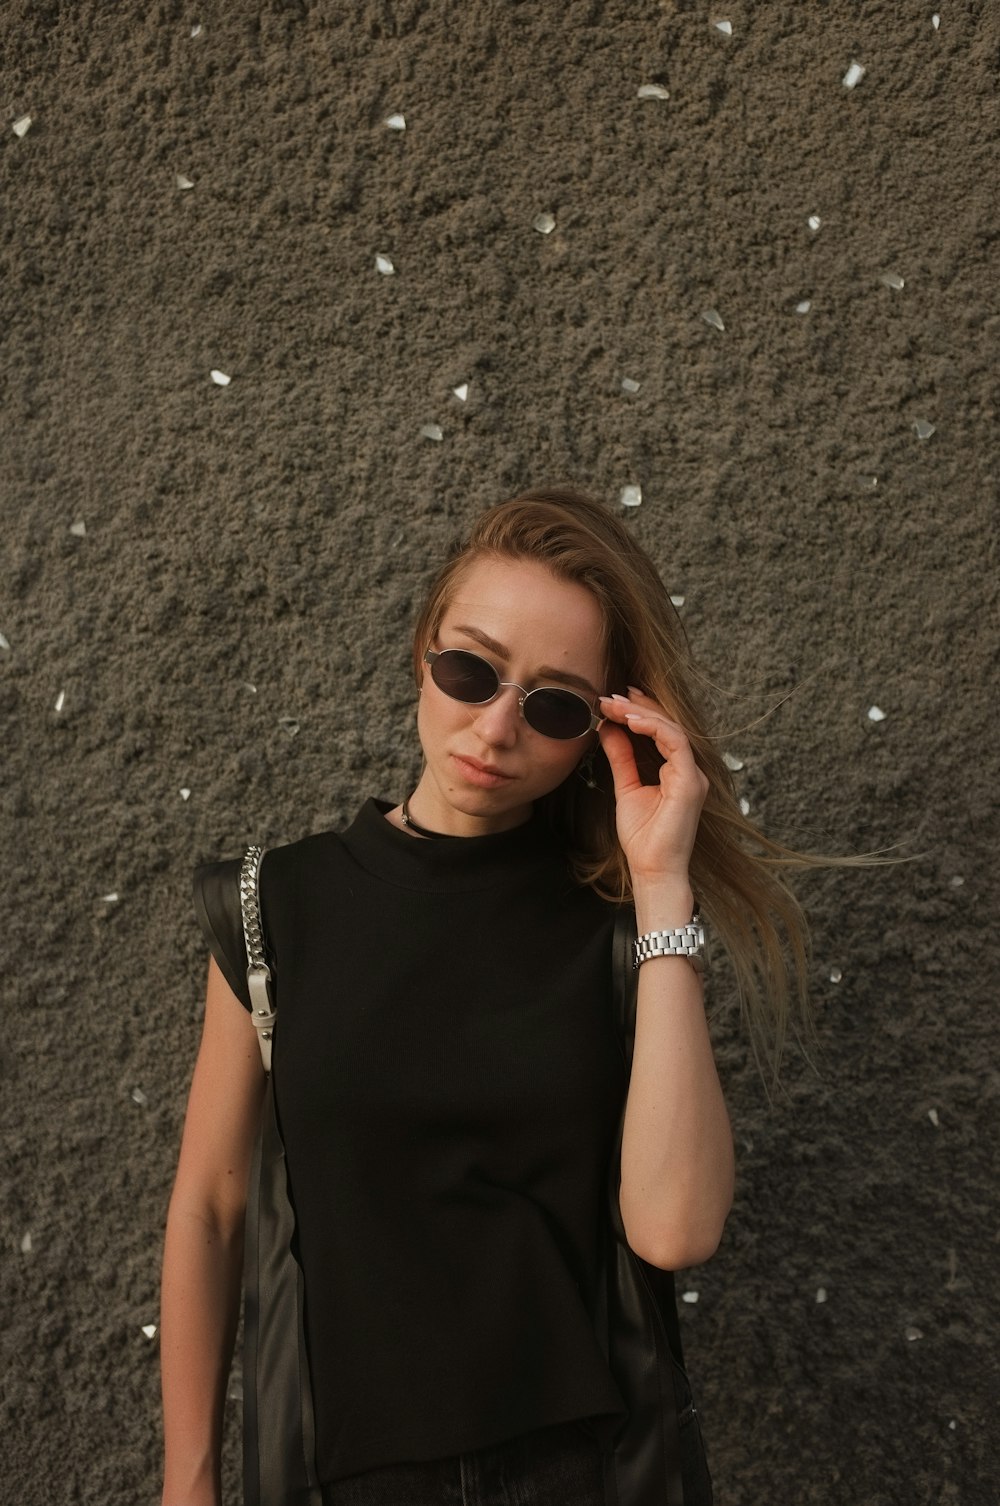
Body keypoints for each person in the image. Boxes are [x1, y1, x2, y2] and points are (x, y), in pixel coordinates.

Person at [160, 485, 813, 1506]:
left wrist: (660, 887)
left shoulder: (615, 927)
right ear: (423, 647)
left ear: (605, 727)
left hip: (581, 1473)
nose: (495, 726)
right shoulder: (269, 905)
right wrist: (187, 1479)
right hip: (344, 1477)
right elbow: (210, 1204)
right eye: (470, 670)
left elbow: (675, 1231)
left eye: (552, 705)